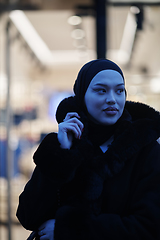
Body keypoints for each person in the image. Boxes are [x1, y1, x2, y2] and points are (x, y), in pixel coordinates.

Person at [16, 59, 160, 240]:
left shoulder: (146, 151)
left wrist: (69, 230)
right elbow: (28, 216)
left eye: (120, 90)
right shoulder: (63, 144)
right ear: (82, 95)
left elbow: (149, 228)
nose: (112, 99)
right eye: (101, 90)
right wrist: (62, 154)